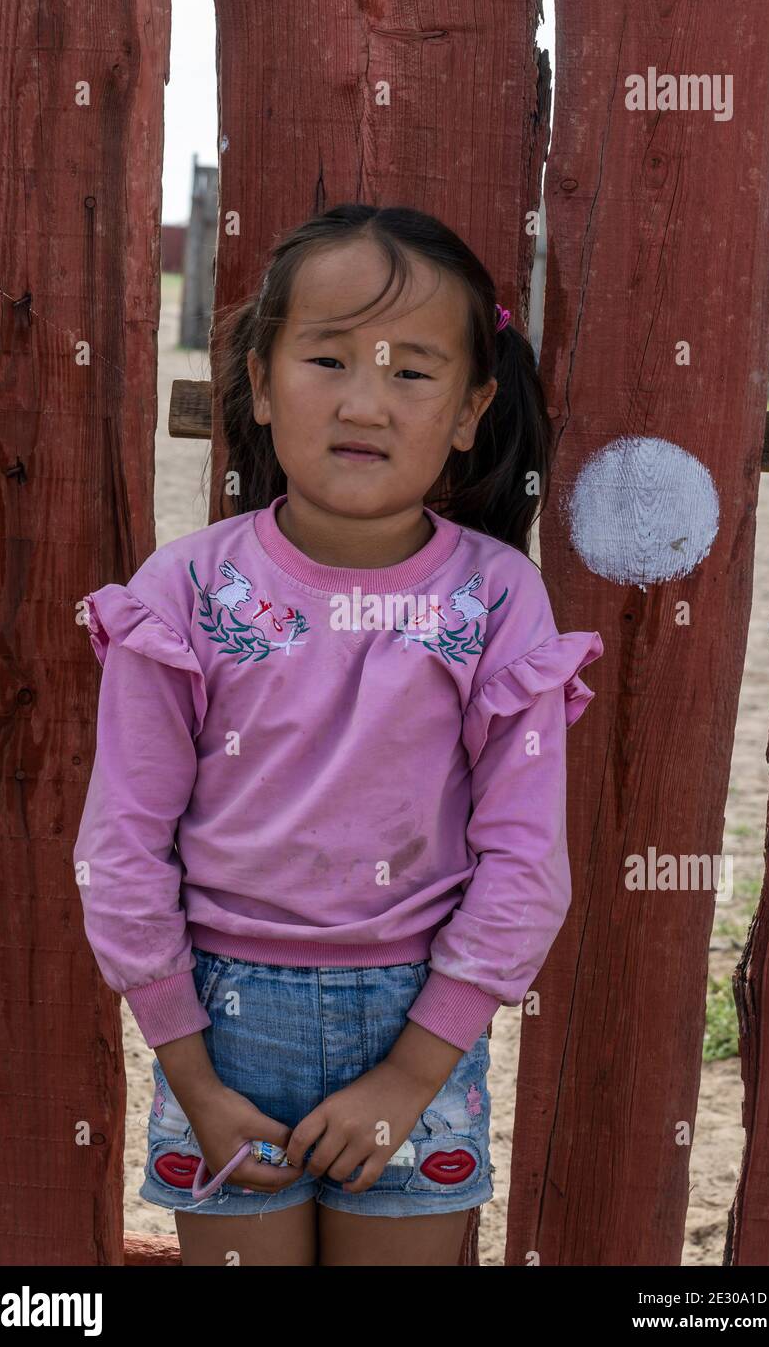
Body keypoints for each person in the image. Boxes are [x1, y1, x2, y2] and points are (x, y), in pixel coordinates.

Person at [73, 203, 603, 1267]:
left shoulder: (495, 603)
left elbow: (525, 861)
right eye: (326, 357)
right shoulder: (183, 593)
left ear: (469, 409)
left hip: (422, 1017)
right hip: (216, 1027)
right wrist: (192, 1076)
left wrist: (413, 1070)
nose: (364, 400)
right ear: (262, 383)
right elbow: (122, 846)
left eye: (411, 370)